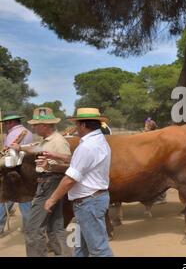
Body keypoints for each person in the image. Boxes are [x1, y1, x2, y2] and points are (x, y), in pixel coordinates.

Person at [44, 108, 113, 257]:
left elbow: (70, 179)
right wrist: (56, 155)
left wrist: (52, 199)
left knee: (99, 250)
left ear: (83, 125)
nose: (75, 127)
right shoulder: (98, 141)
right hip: (91, 201)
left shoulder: (87, 146)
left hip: (88, 203)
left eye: (76, 124)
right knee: (80, 249)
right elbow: (81, 161)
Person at [9, 107, 71, 256]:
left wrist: (49, 166)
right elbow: (36, 149)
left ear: (45, 125)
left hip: (49, 183)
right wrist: (20, 148)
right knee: (55, 226)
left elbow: (69, 165)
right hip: (49, 183)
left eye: (35, 125)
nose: (33, 127)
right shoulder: (48, 141)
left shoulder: (59, 142)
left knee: (33, 228)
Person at [0, 112, 33, 236]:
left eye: (6, 123)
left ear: (12, 122)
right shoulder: (28, 132)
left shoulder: (12, 134)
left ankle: (0, 227)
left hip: (12, 170)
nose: (6, 125)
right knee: (25, 199)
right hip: (27, 169)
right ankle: (29, 227)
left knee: (5, 197)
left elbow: (8, 154)